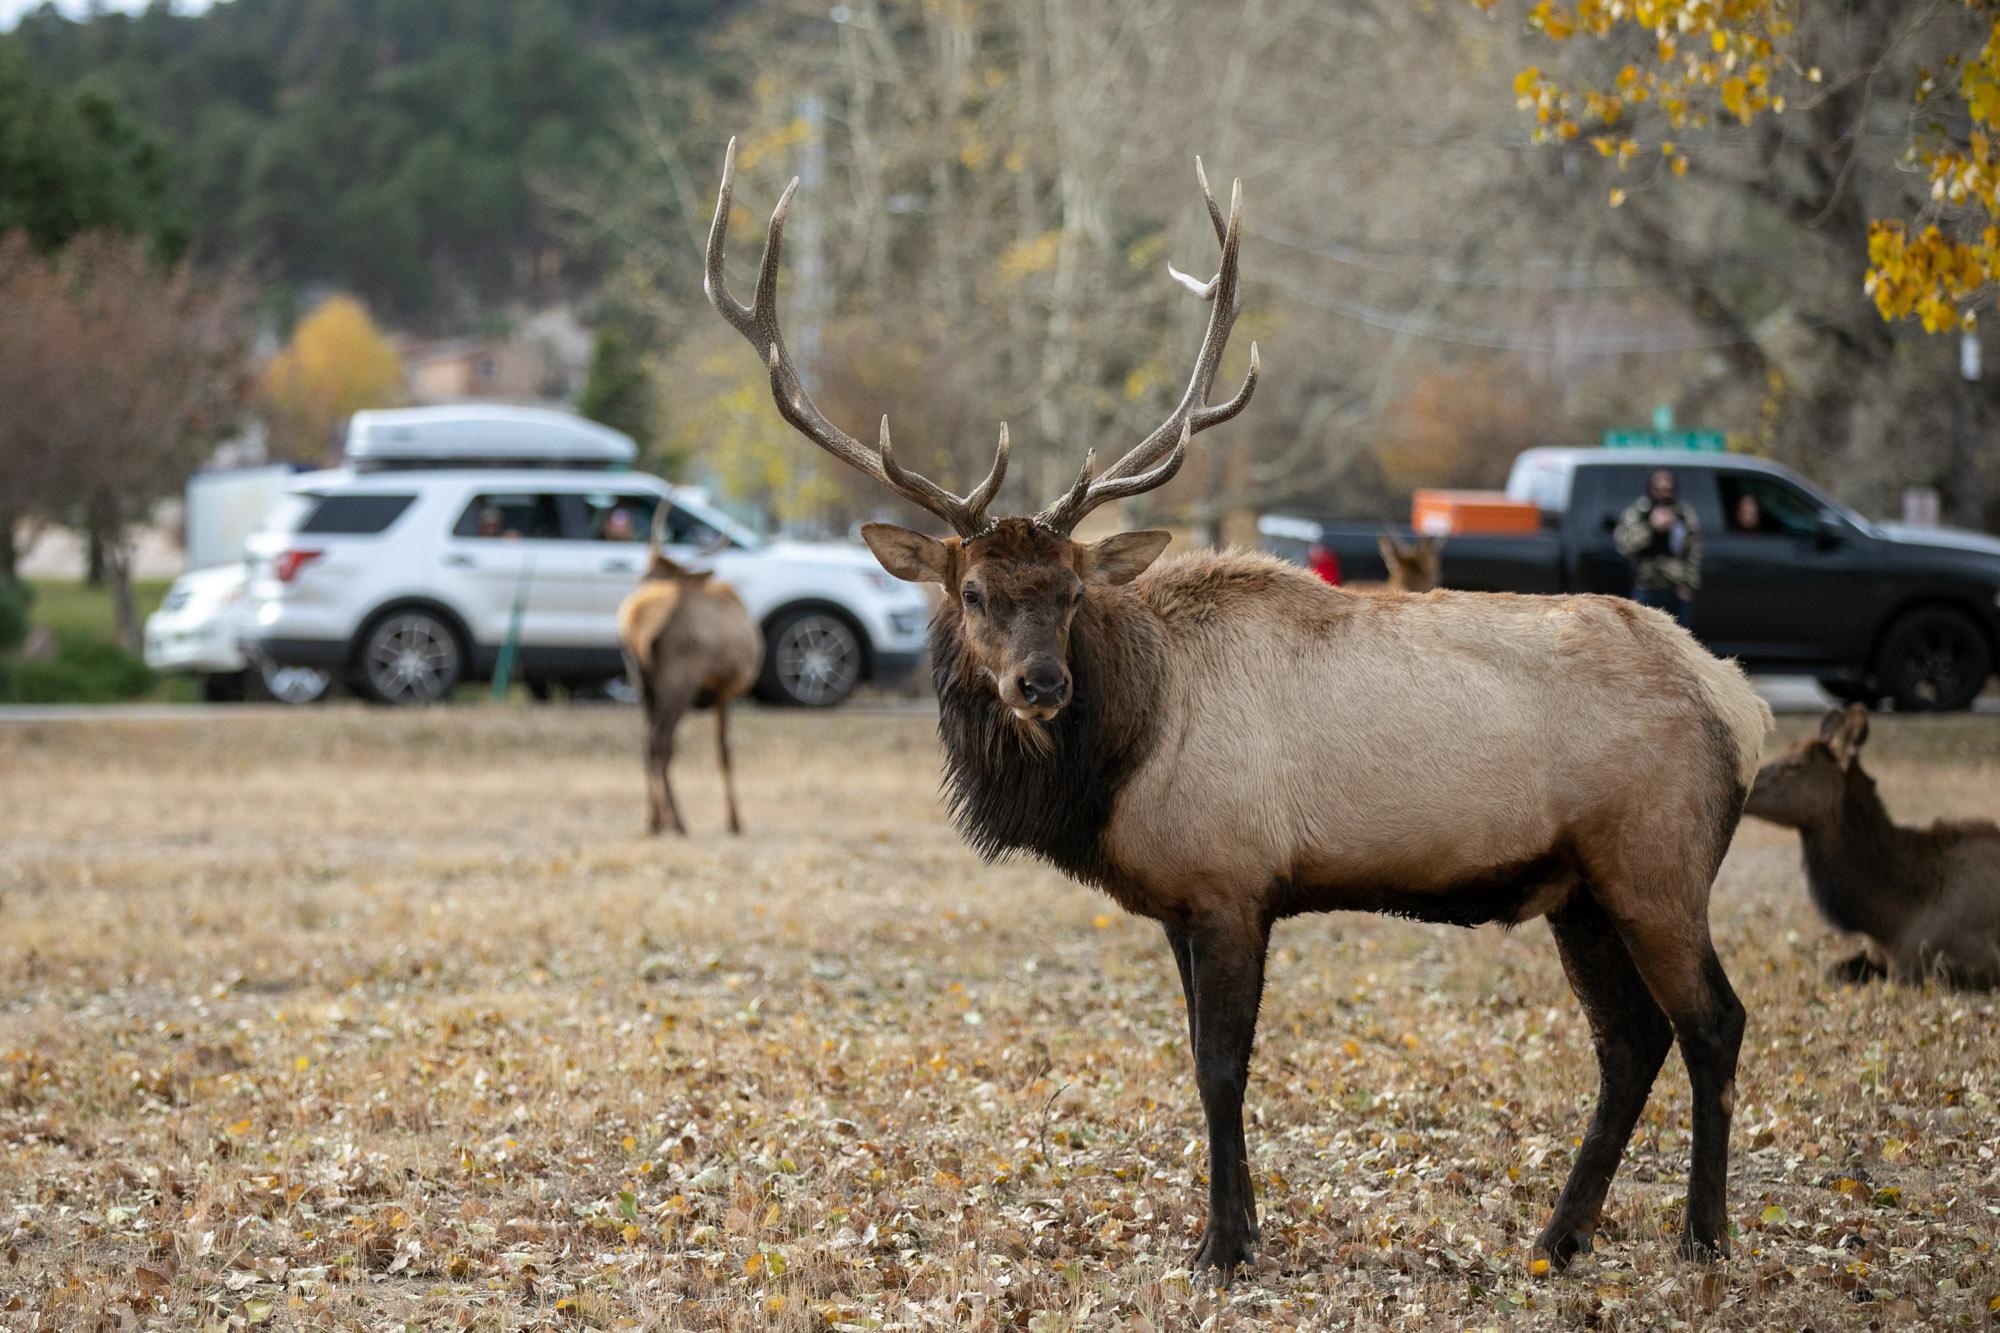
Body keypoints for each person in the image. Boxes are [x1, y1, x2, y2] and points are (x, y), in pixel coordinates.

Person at [1614, 468, 1700, 629]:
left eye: (1668, 489)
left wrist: (1689, 584)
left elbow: (1694, 551)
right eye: (1658, 489)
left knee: (1680, 641)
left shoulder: (1683, 513)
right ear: (1651, 489)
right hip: (1647, 587)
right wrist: (1652, 527)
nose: (1663, 494)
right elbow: (1625, 545)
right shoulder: (1639, 512)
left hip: (1676, 588)